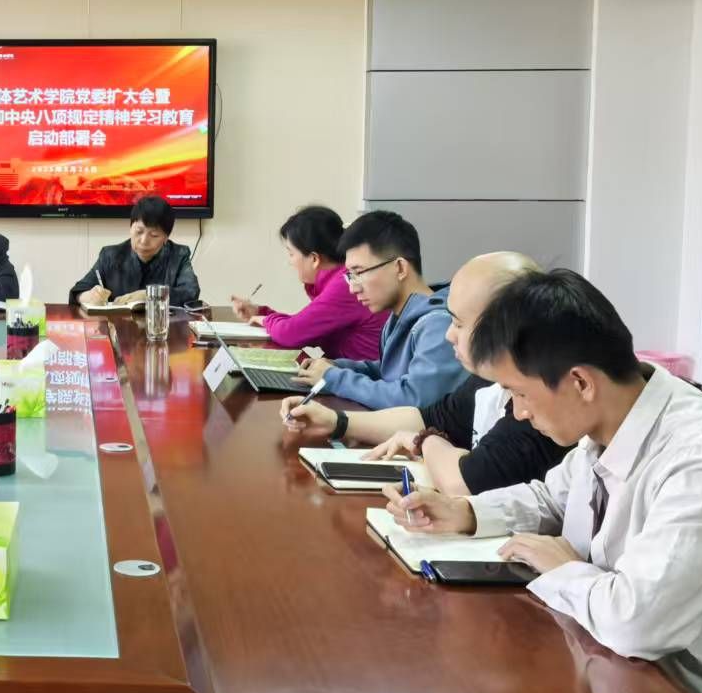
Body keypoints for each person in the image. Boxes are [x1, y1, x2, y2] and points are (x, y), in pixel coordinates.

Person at [382, 269, 702, 693]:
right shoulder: (614, 416)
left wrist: (565, 569)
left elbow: (639, 623)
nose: (519, 413)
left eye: (520, 394)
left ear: (580, 382)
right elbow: (551, 498)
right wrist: (465, 512)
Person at [281, 252, 571, 494]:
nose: (448, 335)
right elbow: (426, 417)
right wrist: (336, 421)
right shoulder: (486, 383)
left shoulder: (537, 402)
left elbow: (463, 480)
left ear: (503, 329)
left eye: (458, 324)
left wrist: (425, 441)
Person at [297, 210, 464, 408]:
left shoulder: (438, 324)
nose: (353, 288)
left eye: (359, 272)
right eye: (350, 276)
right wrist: (336, 366)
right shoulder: (400, 315)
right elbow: (388, 373)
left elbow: (413, 399)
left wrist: (334, 378)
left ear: (400, 268)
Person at [231, 204, 381, 360]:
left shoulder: (345, 284)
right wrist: (260, 313)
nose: (289, 262)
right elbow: (304, 327)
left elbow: (291, 333)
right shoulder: (339, 278)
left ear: (314, 259)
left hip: (360, 374)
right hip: (345, 369)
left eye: (291, 254)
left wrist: (265, 320)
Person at [69, 195, 200, 308]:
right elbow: (78, 291)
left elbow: (191, 292)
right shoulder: (110, 255)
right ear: (130, 227)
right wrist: (87, 296)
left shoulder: (178, 255)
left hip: (162, 327)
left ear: (166, 237)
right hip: (117, 327)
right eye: (139, 231)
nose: (144, 241)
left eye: (154, 235)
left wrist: (148, 296)